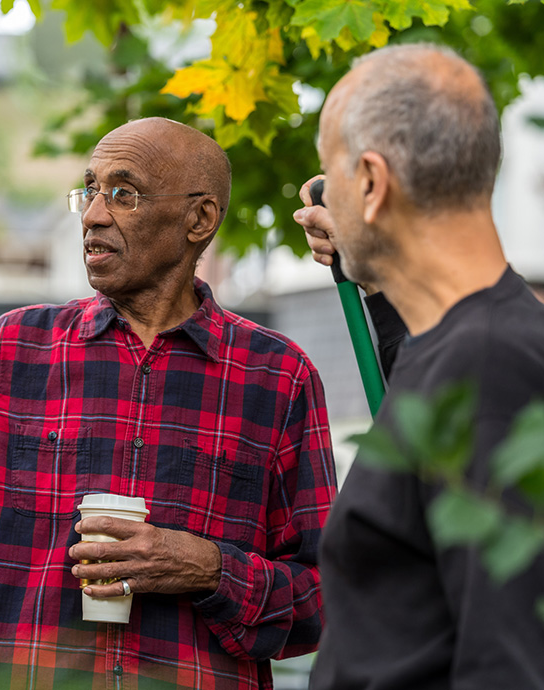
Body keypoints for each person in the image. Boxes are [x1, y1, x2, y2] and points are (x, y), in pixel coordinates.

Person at [0, 118, 337, 688]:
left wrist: (209, 569)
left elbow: (326, 601)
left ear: (200, 219)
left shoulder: (278, 377)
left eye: (124, 193)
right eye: (90, 189)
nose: (94, 214)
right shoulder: (17, 349)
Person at [293, 44, 544, 688]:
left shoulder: (489, 369)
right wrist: (370, 271)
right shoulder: (475, 345)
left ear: (372, 184)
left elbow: (508, 663)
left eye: (333, 178)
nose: (319, 204)